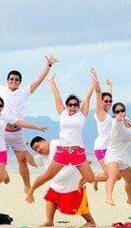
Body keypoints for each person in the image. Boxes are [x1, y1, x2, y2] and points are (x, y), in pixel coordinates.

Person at [0, 50, 57, 191]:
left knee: (22, 160)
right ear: (8, 81)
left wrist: (48, 65)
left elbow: (38, 81)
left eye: (17, 80)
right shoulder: (1, 89)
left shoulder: (24, 92)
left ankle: (27, 185)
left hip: (17, 132)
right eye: (11, 79)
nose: (14, 81)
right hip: (3, 132)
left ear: (20, 82)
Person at [25, 70, 98, 204]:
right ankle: (31, 191)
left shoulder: (82, 114)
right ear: (66, 105)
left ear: (78, 106)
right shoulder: (62, 113)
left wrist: (94, 82)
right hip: (63, 151)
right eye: (70, 104)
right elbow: (57, 96)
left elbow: (87, 98)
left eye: (75, 105)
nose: (72, 107)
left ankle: (80, 177)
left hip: (77, 152)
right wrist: (52, 82)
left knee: (91, 179)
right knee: (48, 175)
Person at [0, 96, 46, 201]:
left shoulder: (4, 116)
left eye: (0, 105)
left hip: (0, 152)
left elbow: (20, 122)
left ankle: (3, 174)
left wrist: (37, 127)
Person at [29, 136, 96, 227]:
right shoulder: (42, 156)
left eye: (38, 146)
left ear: (44, 141)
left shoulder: (57, 144)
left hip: (72, 179)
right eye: (35, 150)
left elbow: (72, 148)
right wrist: (23, 152)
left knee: (76, 203)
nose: (38, 150)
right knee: (51, 198)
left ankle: (91, 222)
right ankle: (49, 221)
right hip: (58, 184)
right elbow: (32, 162)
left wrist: (84, 161)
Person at [99, 102, 131, 209]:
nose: (120, 113)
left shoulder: (129, 122)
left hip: (123, 156)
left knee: (130, 180)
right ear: (114, 114)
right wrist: (118, 119)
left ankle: (130, 199)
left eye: (122, 110)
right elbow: (118, 122)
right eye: (117, 111)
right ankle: (109, 197)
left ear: (125, 111)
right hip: (113, 155)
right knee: (113, 175)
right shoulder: (115, 122)